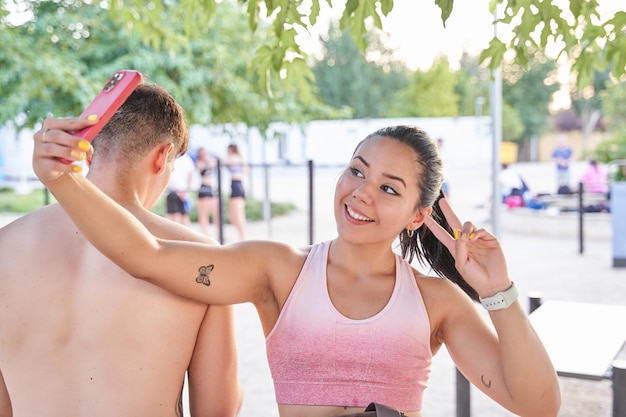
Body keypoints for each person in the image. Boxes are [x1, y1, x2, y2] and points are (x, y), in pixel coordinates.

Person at [32, 123, 561, 417]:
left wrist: (499, 292)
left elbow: (538, 405)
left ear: (419, 215)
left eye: (389, 188)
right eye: (357, 170)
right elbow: (146, 256)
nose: (361, 193)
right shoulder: (276, 270)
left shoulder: (436, 301)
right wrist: (64, 180)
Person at [1, 83, 242, 417]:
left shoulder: (5, 247)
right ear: (162, 158)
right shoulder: (201, 258)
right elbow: (218, 410)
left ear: (88, 153)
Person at [196, 147, 221, 238]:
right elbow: (201, 167)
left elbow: (219, 160)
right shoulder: (200, 163)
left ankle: (218, 233)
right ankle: (204, 233)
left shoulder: (210, 162)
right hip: (204, 188)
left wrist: (211, 153)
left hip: (212, 189)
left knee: (216, 212)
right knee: (203, 213)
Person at [166, 151, 197, 226]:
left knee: (173, 216)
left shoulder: (171, 158)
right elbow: (191, 174)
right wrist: (186, 190)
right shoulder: (187, 159)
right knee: (183, 216)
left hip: (174, 191)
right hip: (183, 191)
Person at [224, 143, 247, 240]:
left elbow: (224, 161)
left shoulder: (234, 157)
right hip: (237, 185)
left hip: (236, 185)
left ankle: (243, 237)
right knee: (234, 216)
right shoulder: (240, 159)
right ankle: (242, 237)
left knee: (237, 215)